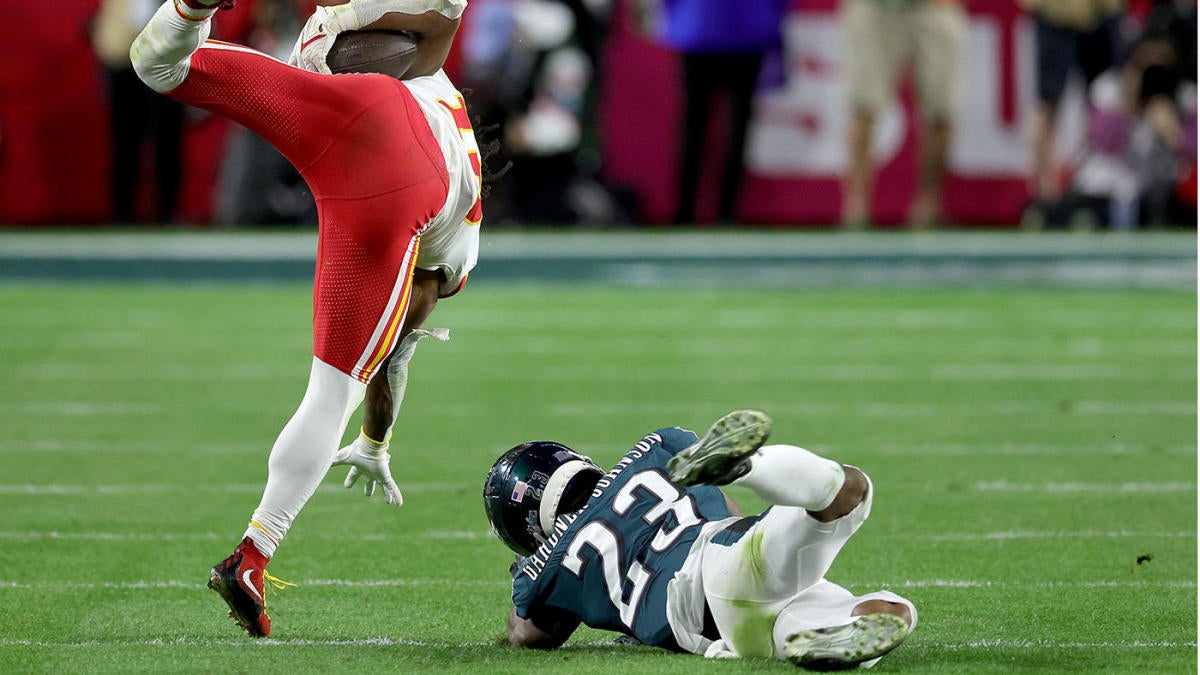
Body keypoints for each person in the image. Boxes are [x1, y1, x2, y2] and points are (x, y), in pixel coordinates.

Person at [130, 0, 484, 637]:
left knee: (159, 66)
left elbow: (434, 38)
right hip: (399, 160)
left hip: (334, 97)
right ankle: (254, 552)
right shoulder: (458, 248)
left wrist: (365, 26)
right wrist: (375, 440)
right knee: (332, 393)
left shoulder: (441, 88)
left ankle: (189, 8)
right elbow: (395, 349)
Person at [483, 410, 916, 669]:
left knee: (842, 621)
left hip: (710, 624)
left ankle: (835, 633)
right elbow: (726, 510)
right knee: (851, 495)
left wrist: (528, 578)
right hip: (726, 552)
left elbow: (531, 636)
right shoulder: (657, 452)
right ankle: (748, 468)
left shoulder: (544, 572)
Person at [652, 0, 788, 225]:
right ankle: (708, 210)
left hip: (718, 25)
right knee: (709, 124)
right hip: (720, 25)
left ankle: (703, 210)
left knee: (713, 124)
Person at [840, 0, 966, 229]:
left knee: (941, 112)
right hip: (875, 7)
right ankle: (856, 210)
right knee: (863, 108)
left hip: (935, 7)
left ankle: (928, 208)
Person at [1018, 0, 1124, 221]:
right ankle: (1045, 195)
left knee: (1104, 102)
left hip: (1101, 11)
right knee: (1048, 103)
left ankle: (1095, 186)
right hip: (1058, 12)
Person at [92, 0, 185, 222]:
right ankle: (122, 212)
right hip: (120, 51)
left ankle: (167, 212)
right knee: (125, 139)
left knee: (168, 138)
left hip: (167, 53)